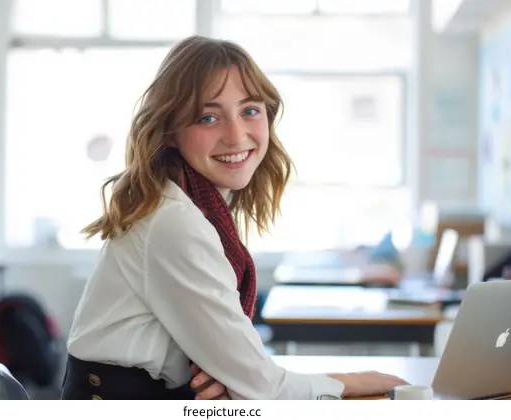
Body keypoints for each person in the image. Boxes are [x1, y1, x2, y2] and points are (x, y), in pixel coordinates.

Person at [61, 35, 408, 400]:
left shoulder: (188, 204)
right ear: (170, 133)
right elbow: (262, 386)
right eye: (208, 117)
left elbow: (247, 374)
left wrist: (229, 373)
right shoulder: (174, 222)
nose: (236, 135)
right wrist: (350, 382)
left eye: (250, 110)